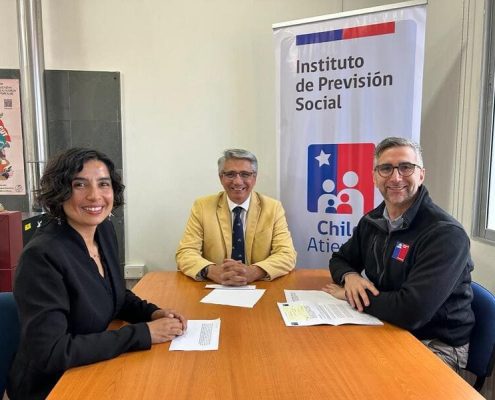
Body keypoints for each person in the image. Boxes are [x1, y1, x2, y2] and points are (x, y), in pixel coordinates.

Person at [7, 148, 187, 400]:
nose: (94, 196)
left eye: (103, 184)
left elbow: (112, 293)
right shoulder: (42, 257)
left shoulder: (103, 230)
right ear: (60, 191)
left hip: (93, 367)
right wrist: (143, 334)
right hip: (53, 386)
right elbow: (52, 352)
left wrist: (151, 313)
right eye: (79, 185)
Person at [323, 137, 474, 371]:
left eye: (406, 167)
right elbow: (340, 259)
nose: (395, 177)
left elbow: (412, 311)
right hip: (386, 323)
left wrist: (349, 296)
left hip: (435, 341)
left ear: (421, 174)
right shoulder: (372, 221)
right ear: (375, 177)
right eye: (386, 168)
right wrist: (350, 277)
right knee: (330, 365)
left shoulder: (445, 234)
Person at [176, 148, 296, 286]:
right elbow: (186, 252)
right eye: (230, 174)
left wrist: (254, 271)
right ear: (221, 177)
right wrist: (212, 271)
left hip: (259, 286)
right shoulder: (202, 207)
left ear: (254, 178)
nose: (238, 181)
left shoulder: (273, 208)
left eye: (245, 174)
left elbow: (287, 254)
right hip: (216, 286)